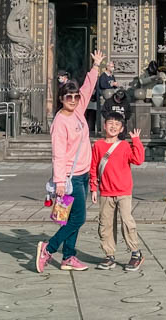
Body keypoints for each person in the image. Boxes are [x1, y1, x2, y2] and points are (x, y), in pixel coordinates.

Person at [36, 49, 104, 273]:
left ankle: (69, 257)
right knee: (78, 219)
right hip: (70, 177)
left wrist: (95, 67)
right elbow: (59, 154)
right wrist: (60, 182)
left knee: (71, 218)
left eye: (75, 97)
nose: (74, 100)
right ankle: (49, 248)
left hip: (83, 174)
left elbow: (87, 89)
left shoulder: (77, 111)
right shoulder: (60, 123)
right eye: (69, 97)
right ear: (61, 99)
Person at [90, 113, 145, 271]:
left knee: (127, 222)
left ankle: (135, 253)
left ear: (121, 129)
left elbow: (138, 160)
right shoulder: (98, 146)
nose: (113, 126)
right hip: (106, 191)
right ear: (104, 125)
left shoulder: (125, 145)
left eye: (117, 124)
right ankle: (109, 255)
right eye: (110, 123)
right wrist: (93, 188)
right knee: (106, 224)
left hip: (123, 191)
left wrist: (136, 141)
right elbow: (93, 168)